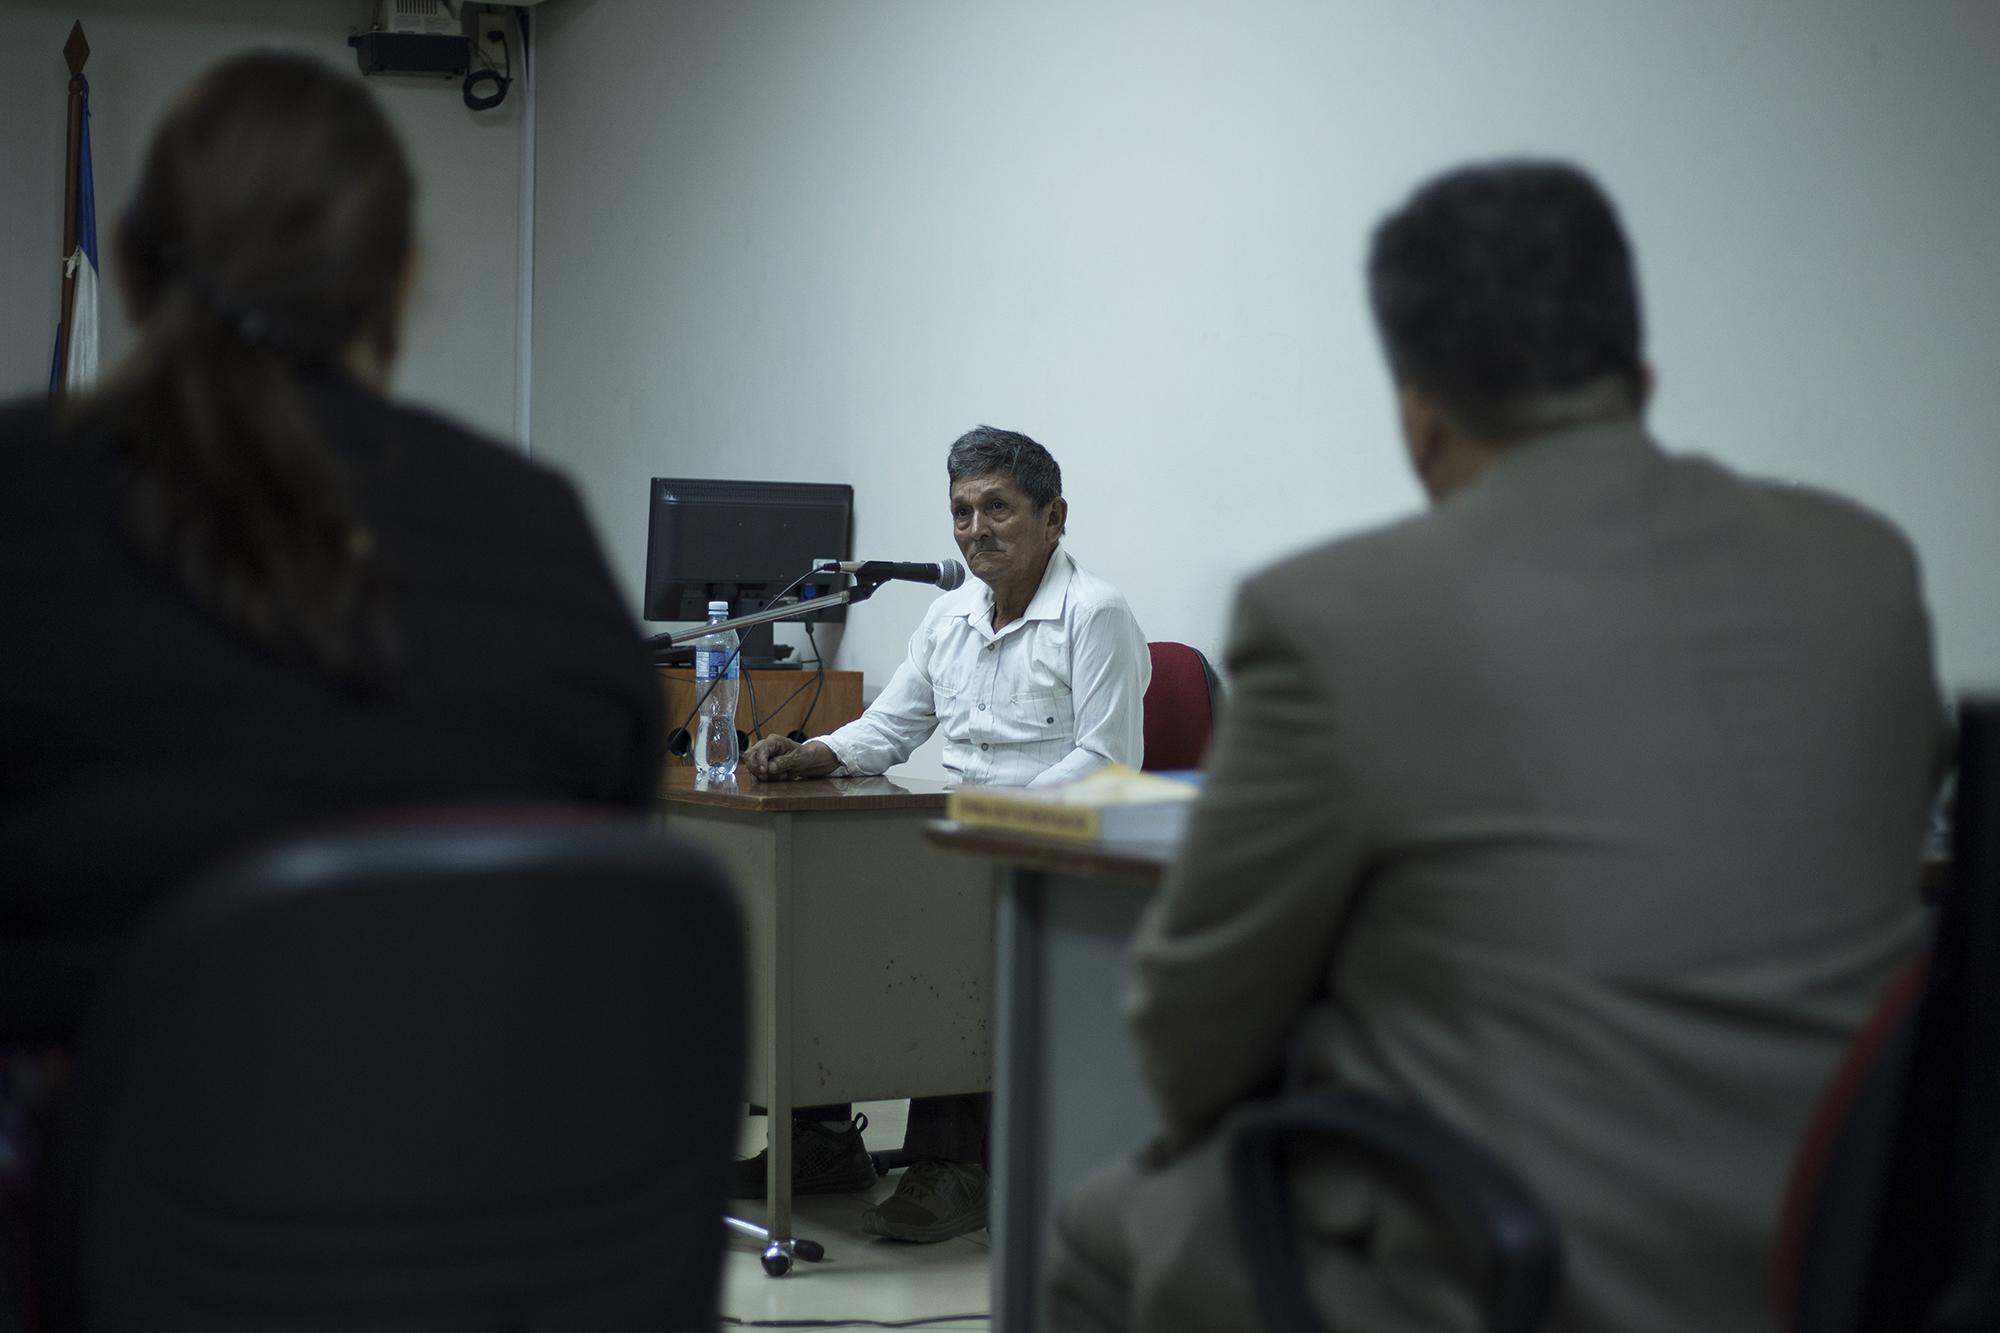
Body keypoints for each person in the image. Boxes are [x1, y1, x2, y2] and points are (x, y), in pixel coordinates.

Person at [1046, 161, 1950, 1333]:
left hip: (1511, 1266)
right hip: (1857, 1247)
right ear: (1638, 377)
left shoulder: (1331, 614)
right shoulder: (1862, 567)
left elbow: (1189, 1037)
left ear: (1416, 412)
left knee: (1095, 1227)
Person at [0, 51, 661, 1305]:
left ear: (132, 274)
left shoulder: (23, 505)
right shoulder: (541, 539)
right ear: (399, 284)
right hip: (497, 1268)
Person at [740, 425, 1150, 1242]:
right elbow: (891, 727)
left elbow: (1106, 760)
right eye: (961, 511)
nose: (974, 530)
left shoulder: (1095, 614)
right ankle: (820, 1138)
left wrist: (989, 821)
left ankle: (955, 1165)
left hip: (1055, 852)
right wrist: (816, 750)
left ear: (1053, 516)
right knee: (821, 905)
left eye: (996, 507)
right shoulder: (950, 614)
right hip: (955, 837)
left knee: (946, 920)